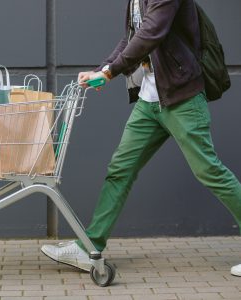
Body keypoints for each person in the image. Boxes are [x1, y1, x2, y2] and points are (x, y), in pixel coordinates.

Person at [41, 0, 241, 275]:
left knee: (209, 171)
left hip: (182, 99)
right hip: (150, 102)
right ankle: (90, 247)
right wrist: (104, 67)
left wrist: (110, 73)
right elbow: (131, 38)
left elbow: (151, 33)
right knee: (120, 169)